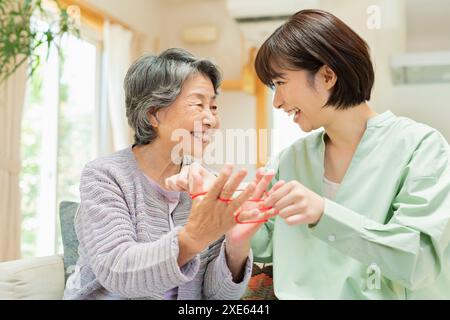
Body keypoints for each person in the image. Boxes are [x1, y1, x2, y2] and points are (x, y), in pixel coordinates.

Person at [172, 9, 450, 299]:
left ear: (327, 75)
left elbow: (419, 261)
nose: (277, 102)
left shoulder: (421, 148)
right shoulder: (291, 159)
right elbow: (265, 244)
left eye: (280, 83)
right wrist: (220, 204)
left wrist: (323, 213)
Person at [63, 48, 275, 300]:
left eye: (214, 106)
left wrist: (237, 245)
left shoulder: (207, 182)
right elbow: (118, 274)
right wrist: (193, 237)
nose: (211, 119)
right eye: (198, 104)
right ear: (153, 113)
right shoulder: (105, 176)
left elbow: (217, 298)